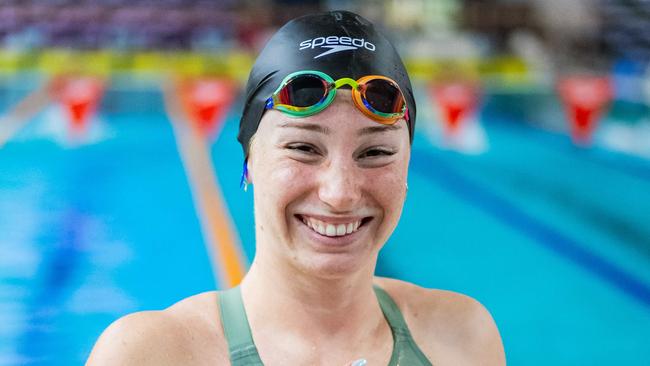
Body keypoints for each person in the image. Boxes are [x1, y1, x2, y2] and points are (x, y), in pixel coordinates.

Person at [87, 11, 505, 365]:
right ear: (250, 160)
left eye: (375, 152)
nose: (339, 192)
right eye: (304, 148)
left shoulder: (461, 341)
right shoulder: (153, 354)